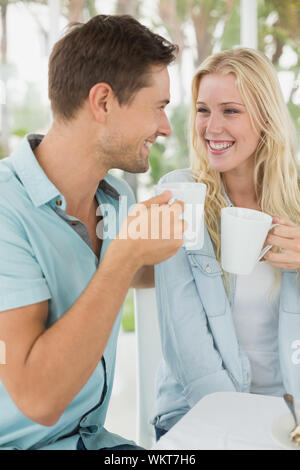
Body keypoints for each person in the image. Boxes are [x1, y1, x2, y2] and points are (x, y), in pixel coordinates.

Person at [0, 15, 186, 450]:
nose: (165, 128)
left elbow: (137, 266)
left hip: (92, 442)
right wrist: (124, 258)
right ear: (103, 102)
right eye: (158, 106)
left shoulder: (114, 197)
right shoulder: (6, 211)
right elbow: (39, 400)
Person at [152, 47, 300, 441]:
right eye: (203, 110)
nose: (211, 127)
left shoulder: (298, 202)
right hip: (201, 415)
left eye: (230, 111)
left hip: (289, 417)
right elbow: (188, 350)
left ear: (265, 118)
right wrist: (241, 430)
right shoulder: (179, 195)